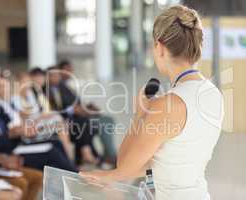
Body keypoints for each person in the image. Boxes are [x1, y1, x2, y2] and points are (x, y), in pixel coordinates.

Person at [80, 5, 224, 200]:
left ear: (159, 46)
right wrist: (110, 176)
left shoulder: (167, 105)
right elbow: (170, 160)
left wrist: (140, 114)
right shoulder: (213, 93)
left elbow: (125, 164)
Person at [0, 76, 77, 172]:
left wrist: (19, 131)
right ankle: (76, 176)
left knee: (56, 143)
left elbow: (11, 127)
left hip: (16, 142)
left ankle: (73, 173)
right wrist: (13, 133)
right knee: (52, 152)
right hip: (7, 151)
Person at [59, 60, 117, 164]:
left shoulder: (67, 87)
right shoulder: (58, 88)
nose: (70, 71)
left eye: (70, 69)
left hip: (82, 115)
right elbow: (68, 108)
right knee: (104, 123)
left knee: (108, 119)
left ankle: (108, 154)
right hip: (76, 119)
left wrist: (89, 107)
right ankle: (110, 155)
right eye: (67, 69)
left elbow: (77, 104)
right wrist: (86, 110)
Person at [44, 66, 101, 166]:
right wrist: (71, 111)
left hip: (71, 117)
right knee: (84, 124)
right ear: (47, 77)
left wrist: (83, 107)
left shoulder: (62, 86)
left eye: (57, 75)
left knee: (87, 123)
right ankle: (87, 155)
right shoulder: (44, 91)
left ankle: (86, 156)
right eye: (53, 76)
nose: (56, 78)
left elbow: (75, 100)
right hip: (60, 120)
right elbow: (53, 110)